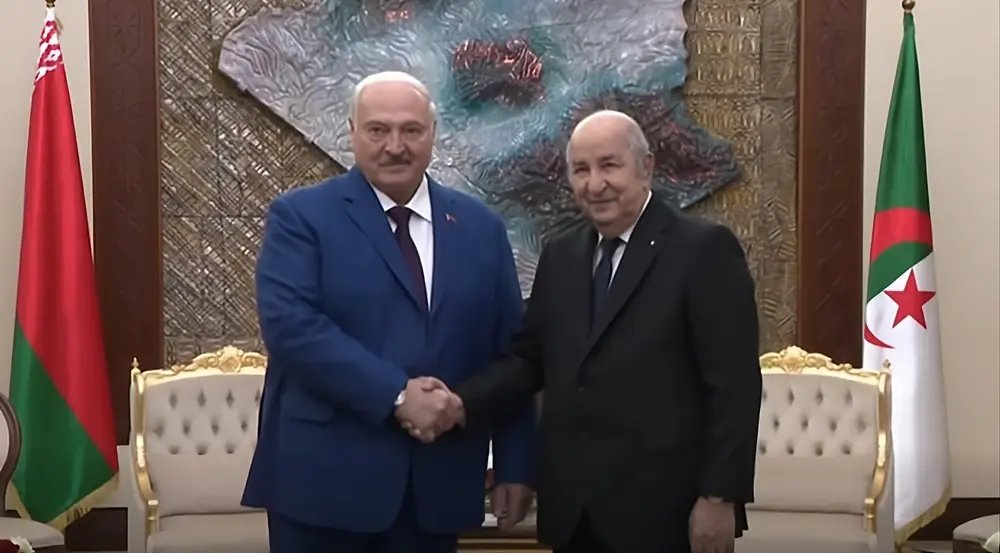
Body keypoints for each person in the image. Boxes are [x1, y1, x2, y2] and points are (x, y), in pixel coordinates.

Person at [412, 110, 763, 553]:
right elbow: (528, 361)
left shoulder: (703, 250)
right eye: (581, 169)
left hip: (666, 514)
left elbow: (734, 387)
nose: (595, 184)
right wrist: (461, 404)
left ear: (646, 167)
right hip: (575, 513)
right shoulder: (562, 254)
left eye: (609, 165)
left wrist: (719, 497)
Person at [241, 71, 537, 552]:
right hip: (323, 486)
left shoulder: (481, 228)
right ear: (352, 131)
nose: (395, 146)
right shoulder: (301, 217)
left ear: (433, 134)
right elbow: (292, 328)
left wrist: (516, 463)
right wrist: (397, 395)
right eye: (378, 130)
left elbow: (513, 355)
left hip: (435, 486)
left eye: (411, 130)